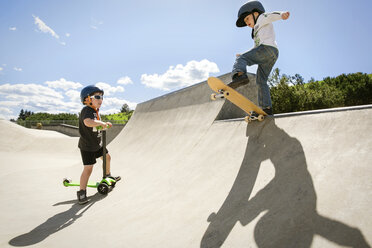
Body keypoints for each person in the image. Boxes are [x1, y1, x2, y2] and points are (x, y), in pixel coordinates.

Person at [229, 0, 290, 115]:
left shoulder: (262, 17)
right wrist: (244, 54)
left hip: (267, 49)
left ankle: (239, 75)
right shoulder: (255, 31)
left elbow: (271, 15)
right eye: (245, 21)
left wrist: (282, 15)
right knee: (261, 81)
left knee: (241, 59)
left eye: (247, 18)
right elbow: (255, 49)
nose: (246, 22)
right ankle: (266, 108)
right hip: (271, 54)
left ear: (255, 14)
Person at [77, 85, 120, 204]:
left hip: (98, 144)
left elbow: (97, 123)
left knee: (107, 158)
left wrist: (104, 123)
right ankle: (81, 192)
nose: (100, 99)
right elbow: (88, 122)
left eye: (102, 97)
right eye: (97, 97)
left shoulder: (96, 111)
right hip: (87, 146)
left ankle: (107, 176)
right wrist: (101, 123)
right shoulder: (87, 110)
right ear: (87, 99)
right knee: (88, 168)